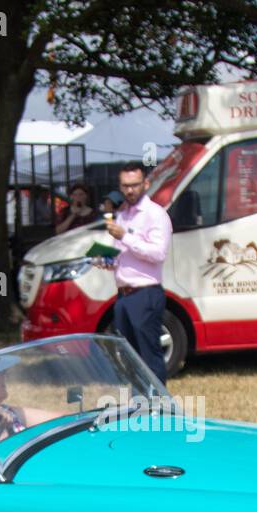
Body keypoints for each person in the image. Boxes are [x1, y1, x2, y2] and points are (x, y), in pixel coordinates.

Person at [104, 162, 173, 382]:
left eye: (134, 185)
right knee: (129, 359)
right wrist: (108, 260)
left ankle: (159, 409)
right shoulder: (123, 214)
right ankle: (138, 407)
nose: (130, 190)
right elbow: (123, 252)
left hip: (145, 293)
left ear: (146, 183)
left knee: (149, 357)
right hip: (123, 294)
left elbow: (158, 253)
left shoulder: (155, 214)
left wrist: (124, 236)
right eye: (125, 186)